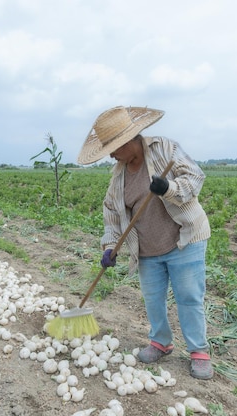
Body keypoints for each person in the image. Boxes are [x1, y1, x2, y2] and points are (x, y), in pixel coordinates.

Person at [77, 106, 213, 380]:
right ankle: (161, 343)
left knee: (188, 298)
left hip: (183, 240)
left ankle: (199, 353)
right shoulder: (118, 175)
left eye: (114, 148)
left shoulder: (165, 149)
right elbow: (112, 213)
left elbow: (195, 178)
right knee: (153, 300)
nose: (112, 155)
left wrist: (169, 189)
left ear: (130, 140)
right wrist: (109, 246)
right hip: (148, 249)